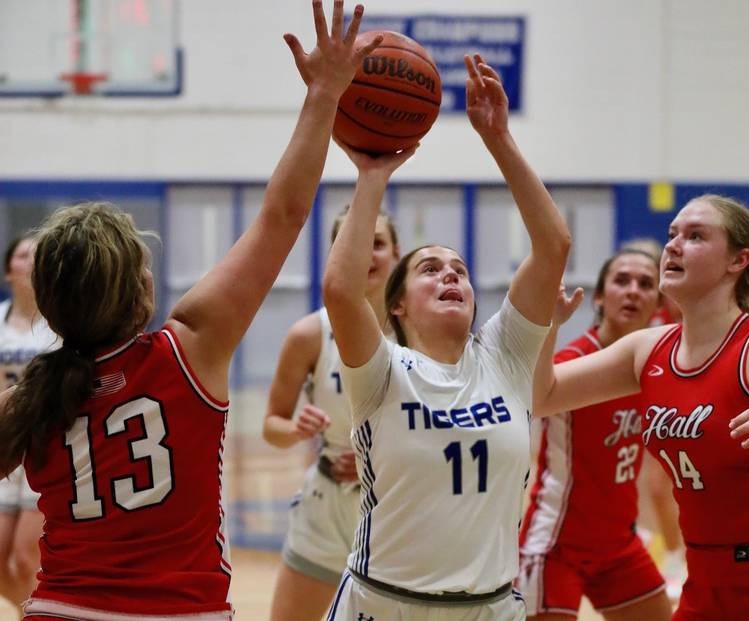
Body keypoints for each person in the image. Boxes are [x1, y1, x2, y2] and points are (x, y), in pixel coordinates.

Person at [0, 3, 384, 619]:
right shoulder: (190, 347)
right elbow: (283, 214)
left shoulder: (30, 400)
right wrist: (325, 93)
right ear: (138, 290)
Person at [322, 54, 571, 621]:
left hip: (490, 607)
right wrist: (372, 176)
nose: (450, 275)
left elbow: (553, 244)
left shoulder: (505, 357)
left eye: (458, 269)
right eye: (430, 268)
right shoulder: (381, 370)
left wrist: (499, 139)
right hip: (383, 604)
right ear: (398, 303)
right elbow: (340, 289)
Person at [533, 195, 749, 621]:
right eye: (672, 234)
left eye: (695, 237)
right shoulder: (648, 349)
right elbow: (542, 396)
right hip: (705, 584)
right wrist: (546, 323)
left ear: (738, 260)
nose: (673, 246)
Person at [516, 249, 672, 620]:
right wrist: (548, 325)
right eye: (621, 281)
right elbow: (535, 396)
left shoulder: (658, 364)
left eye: (646, 284)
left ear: (658, 303)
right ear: (600, 296)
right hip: (556, 544)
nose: (633, 291)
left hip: (618, 543)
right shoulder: (575, 363)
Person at [263, 207, 400, 621]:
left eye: (377, 243)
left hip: (398, 505)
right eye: (353, 244)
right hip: (327, 507)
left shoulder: (422, 335)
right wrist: (295, 430)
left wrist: (381, 464)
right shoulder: (309, 334)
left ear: (397, 254)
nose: (367, 254)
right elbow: (272, 425)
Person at [620, 237, 687, 600]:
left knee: (663, 488)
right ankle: (637, 534)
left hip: (685, 414)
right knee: (629, 480)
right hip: (643, 410)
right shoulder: (645, 317)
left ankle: (677, 558)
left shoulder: (697, 311)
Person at [0, 236, 58, 615]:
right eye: (24, 254)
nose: (32, 261)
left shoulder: (59, 323)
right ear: (9, 272)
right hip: (5, 441)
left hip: (42, 444)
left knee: (25, 559)